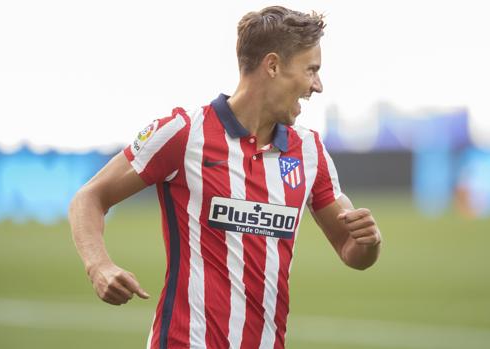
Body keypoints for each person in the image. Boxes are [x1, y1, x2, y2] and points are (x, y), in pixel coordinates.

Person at [69, 5, 382, 349]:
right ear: (273, 65)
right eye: (311, 70)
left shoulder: (310, 151)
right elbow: (90, 196)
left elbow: (351, 250)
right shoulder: (184, 134)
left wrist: (369, 242)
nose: (318, 85)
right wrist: (98, 266)